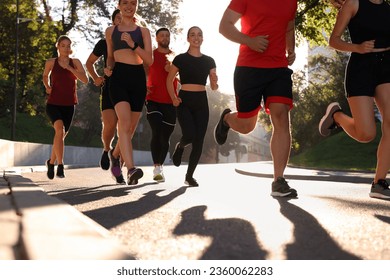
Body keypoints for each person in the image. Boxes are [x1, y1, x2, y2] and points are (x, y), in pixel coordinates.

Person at [215, 0, 298, 197]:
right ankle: (227, 119)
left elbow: (289, 27)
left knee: (281, 117)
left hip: (278, 68)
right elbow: (224, 26)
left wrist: (291, 49)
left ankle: (279, 181)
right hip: (249, 67)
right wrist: (249, 41)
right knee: (246, 126)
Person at [319, 0, 390, 199]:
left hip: (386, 68)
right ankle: (337, 115)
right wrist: (357, 47)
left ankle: (379, 182)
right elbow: (334, 40)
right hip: (361, 69)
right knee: (366, 134)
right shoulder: (353, 4)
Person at [104, 0, 153, 185]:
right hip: (118, 79)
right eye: (125, 2)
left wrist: (133, 45)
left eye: (133, 3)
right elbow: (110, 57)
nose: (129, 6)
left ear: (137, 6)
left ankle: (115, 156)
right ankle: (131, 169)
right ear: (119, 5)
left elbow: (149, 60)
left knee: (130, 129)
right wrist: (108, 68)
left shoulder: (143, 32)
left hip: (137, 80)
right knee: (123, 124)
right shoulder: (111, 31)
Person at [166, 26, 218, 187]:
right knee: (189, 134)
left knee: (199, 140)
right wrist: (174, 98)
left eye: (199, 35)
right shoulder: (180, 59)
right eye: (193, 35)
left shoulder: (209, 61)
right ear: (188, 38)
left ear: (202, 38)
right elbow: (169, 80)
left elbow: (214, 87)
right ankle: (180, 146)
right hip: (185, 101)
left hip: (202, 101)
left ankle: (189, 176)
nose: (196, 37)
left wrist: (215, 81)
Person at [42, 35, 89, 179]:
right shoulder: (51, 62)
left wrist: (70, 68)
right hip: (53, 103)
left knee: (60, 136)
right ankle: (60, 165)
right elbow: (45, 76)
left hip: (69, 105)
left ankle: (51, 162)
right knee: (59, 129)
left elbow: (85, 80)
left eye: (68, 45)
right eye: (63, 45)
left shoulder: (76, 62)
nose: (66, 48)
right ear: (58, 47)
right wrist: (47, 86)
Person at [86, 9, 124, 183]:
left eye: (124, 18)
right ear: (113, 22)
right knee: (110, 125)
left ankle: (118, 169)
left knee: (124, 130)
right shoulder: (103, 43)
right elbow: (89, 63)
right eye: (118, 18)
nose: (121, 20)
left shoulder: (134, 42)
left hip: (128, 89)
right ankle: (106, 149)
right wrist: (96, 77)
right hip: (108, 87)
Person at [145, 28, 178, 183]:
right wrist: (143, 85)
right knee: (156, 131)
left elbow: (184, 76)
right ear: (157, 38)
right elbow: (140, 72)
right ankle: (157, 167)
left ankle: (160, 166)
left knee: (165, 138)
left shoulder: (175, 56)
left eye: (167, 35)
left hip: (171, 101)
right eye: (162, 35)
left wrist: (172, 71)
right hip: (152, 99)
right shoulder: (150, 55)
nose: (165, 38)